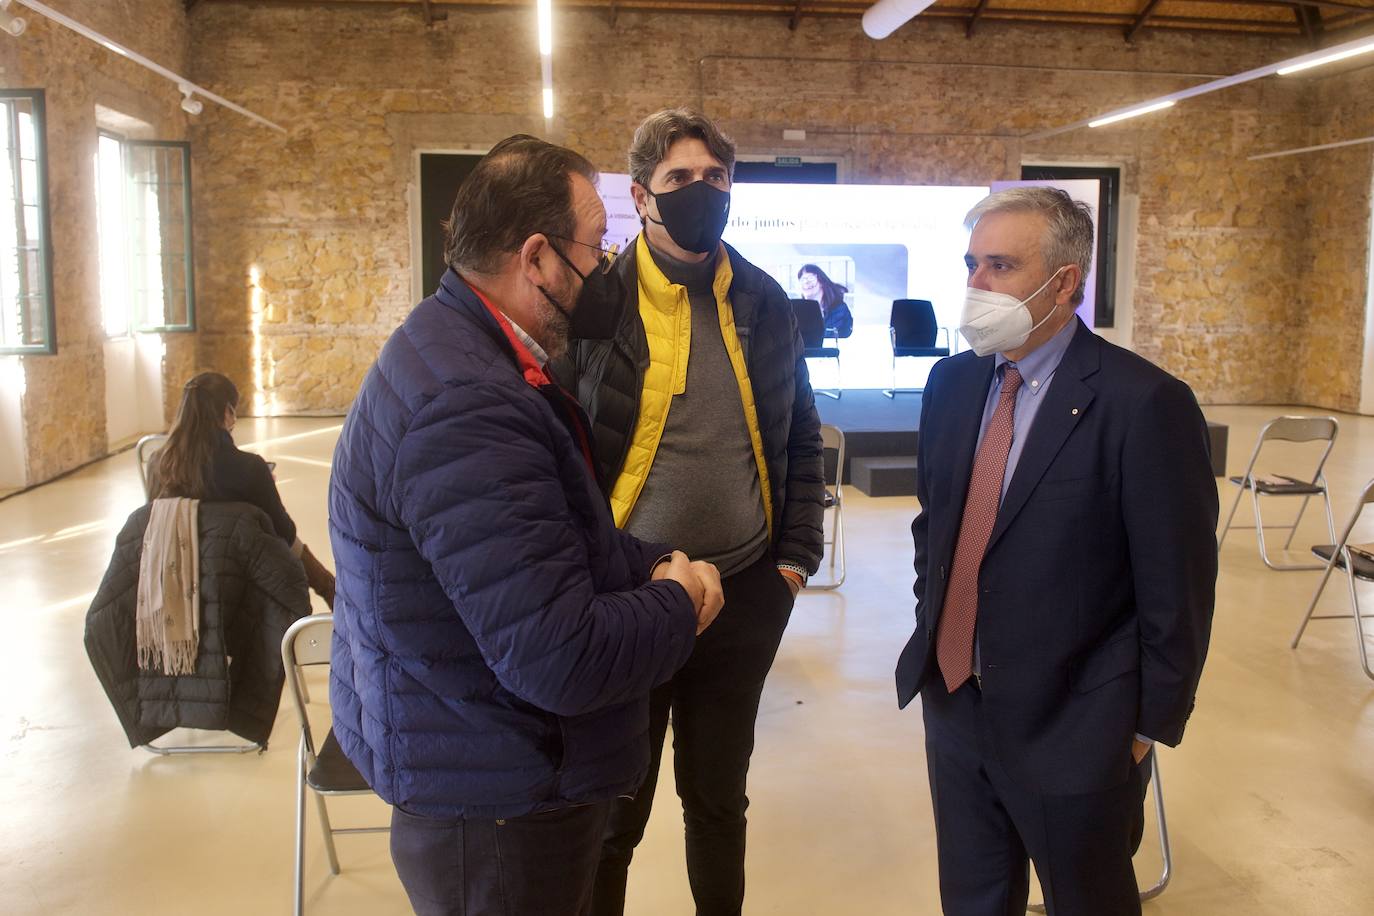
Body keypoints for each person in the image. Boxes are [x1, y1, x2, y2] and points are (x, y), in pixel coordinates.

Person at [328, 134, 725, 916]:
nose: (606, 268)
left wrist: (646, 560)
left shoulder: (463, 351)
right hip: (498, 802)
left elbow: (546, 537)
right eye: (597, 248)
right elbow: (557, 656)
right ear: (539, 258)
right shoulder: (470, 405)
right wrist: (679, 601)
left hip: (480, 764)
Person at [894, 187, 1218, 916]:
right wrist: (938, 628)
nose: (976, 285)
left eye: (1000, 266)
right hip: (955, 706)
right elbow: (935, 527)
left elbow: (1179, 586)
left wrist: (1143, 727)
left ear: (1063, 283)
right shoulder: (951, 383)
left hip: (1077, 725)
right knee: (974, 901)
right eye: (972, 264)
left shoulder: (1144, 404)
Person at [554, 108, 825, 916]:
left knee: (716, 804)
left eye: (715, 178)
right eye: (679, 179)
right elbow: (552, 444)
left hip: (744, 592)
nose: (700, 192)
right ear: (641, 195)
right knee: (613, 817)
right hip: (626, 603)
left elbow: (800, 436)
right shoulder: (591, 304)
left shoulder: (765, 301)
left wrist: (793, 564)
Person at [147, 371, 335, 607]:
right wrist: (264, 485)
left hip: (176, 575)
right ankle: (329, 589)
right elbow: (284, 532)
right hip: (237, 578)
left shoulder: (157, 464)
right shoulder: (249, 467)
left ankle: (328, 586)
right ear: (227, 412)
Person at [797, 263, 853, 337]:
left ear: (821, 281)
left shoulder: (839, 309)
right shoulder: (799, 311)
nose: (806, 283)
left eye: (810, 278)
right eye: (802, 279)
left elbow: (827, 336)